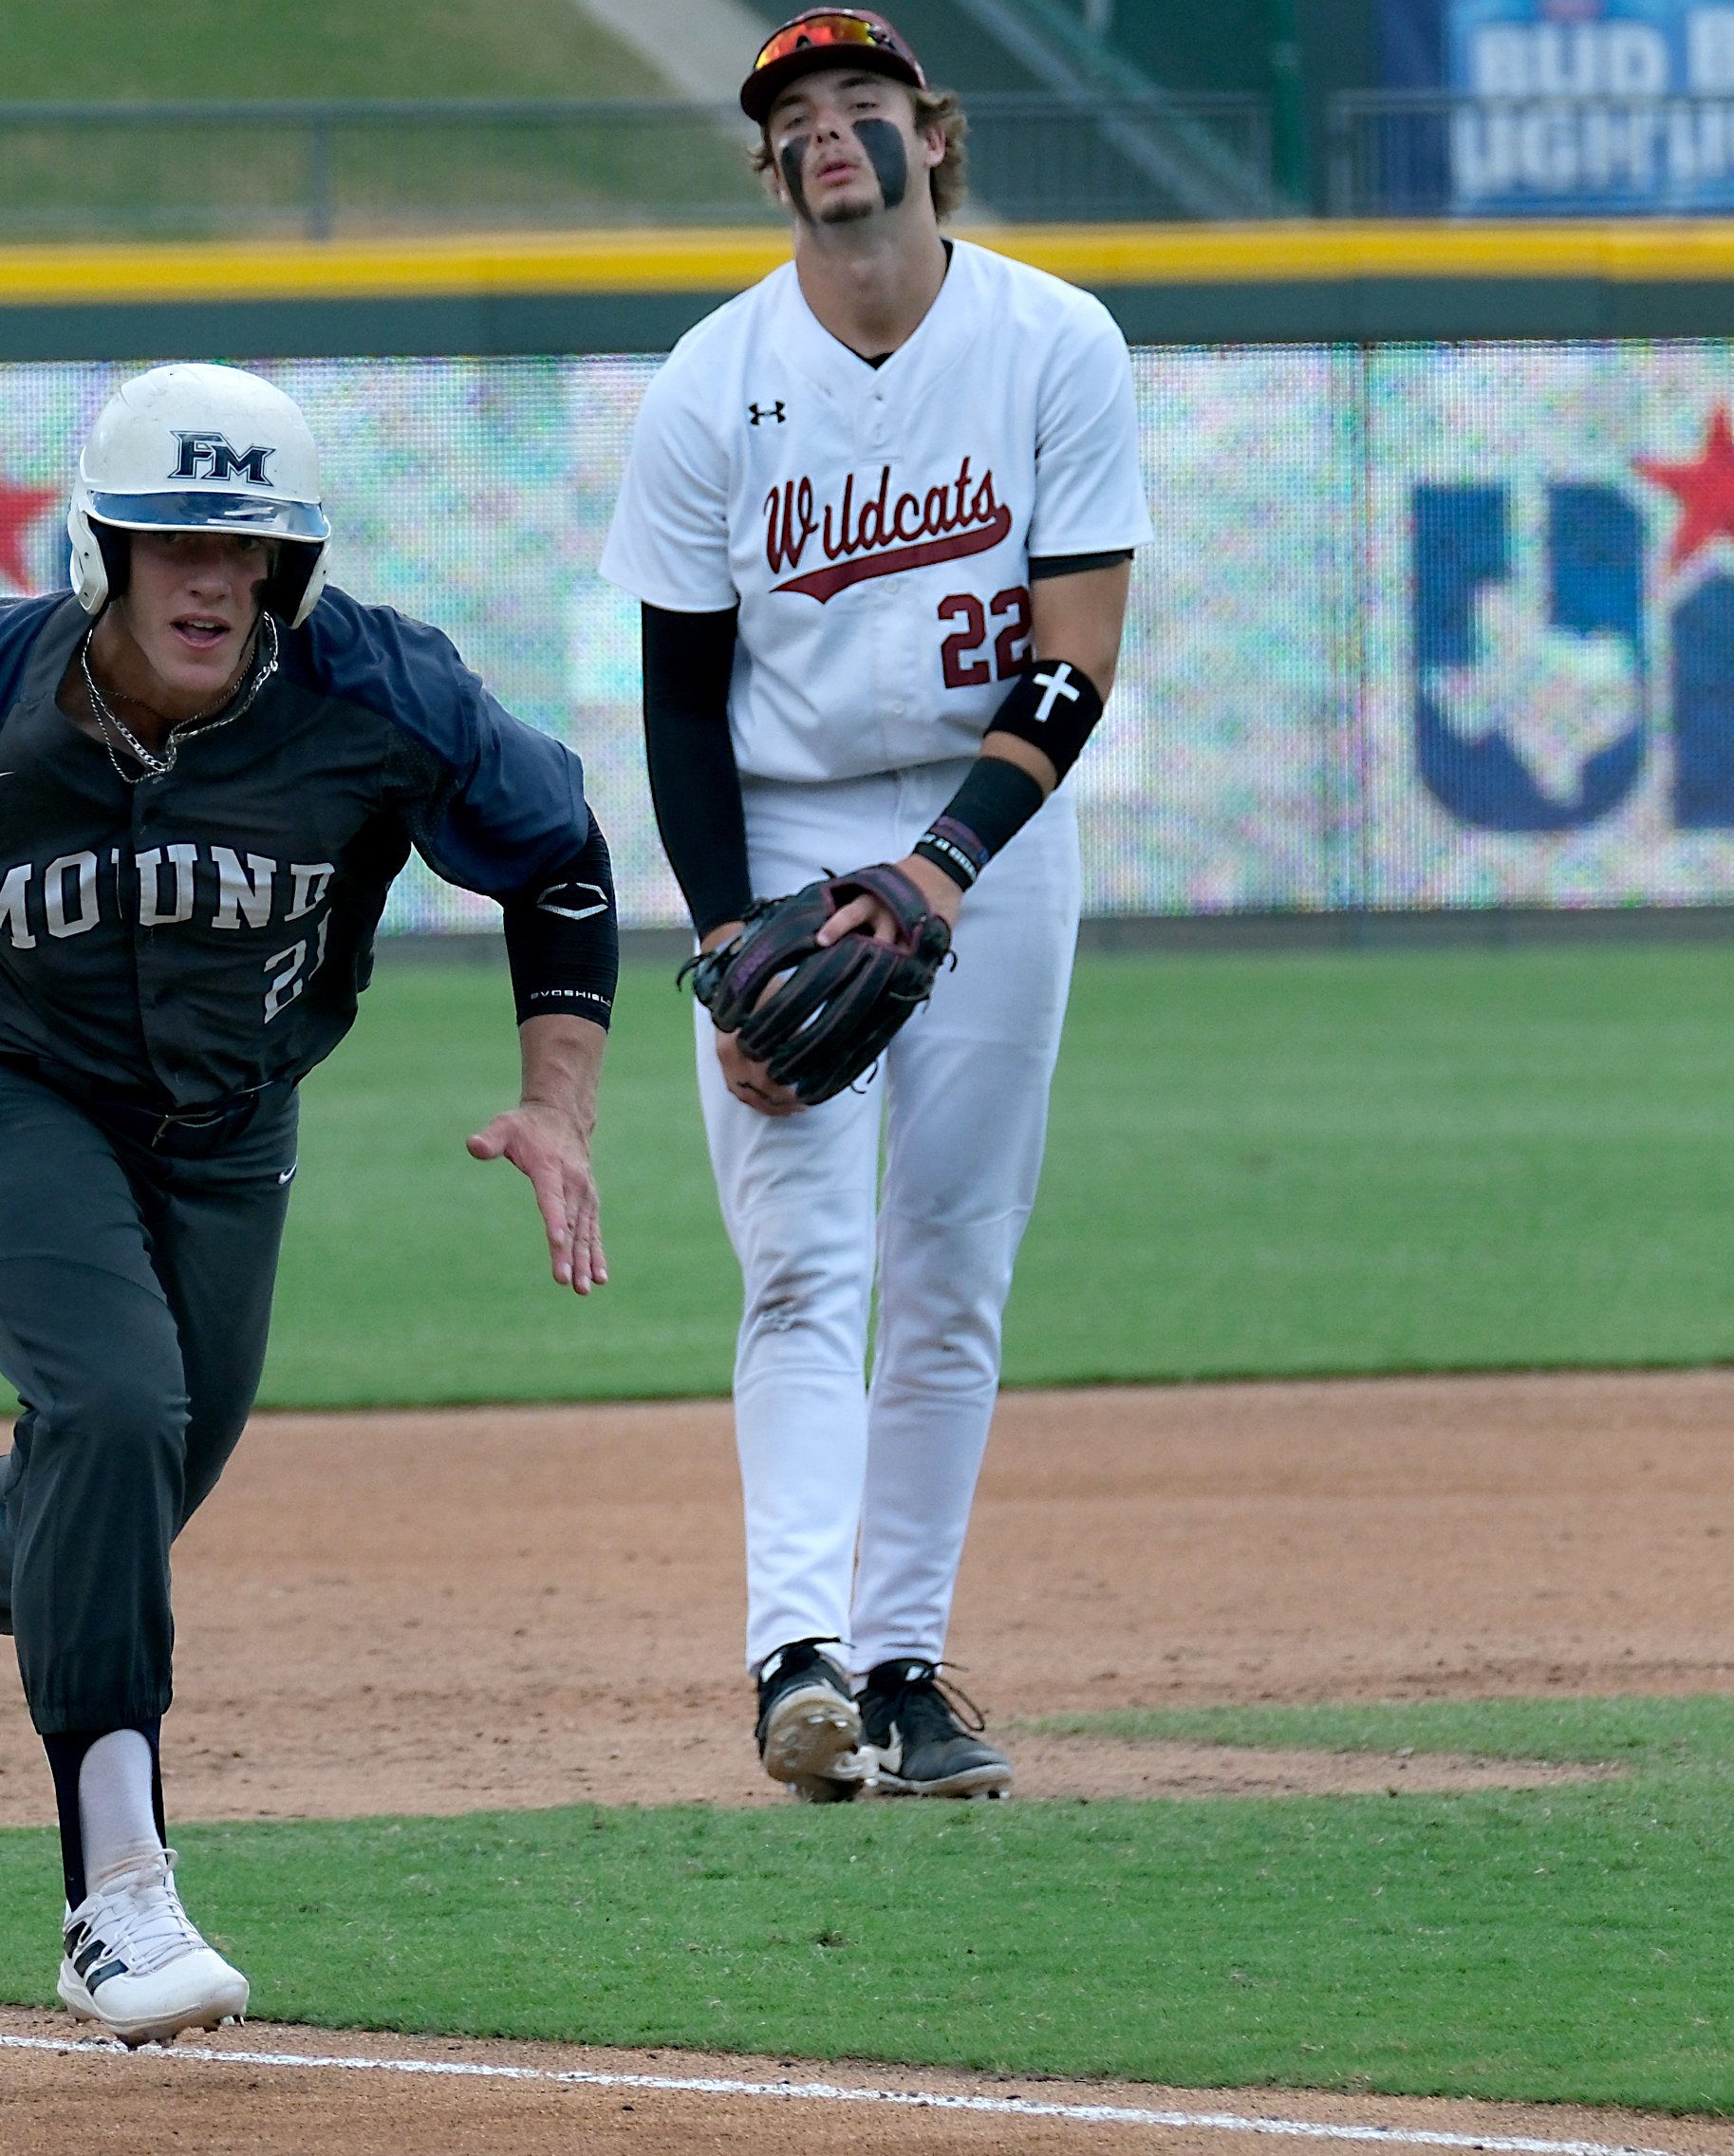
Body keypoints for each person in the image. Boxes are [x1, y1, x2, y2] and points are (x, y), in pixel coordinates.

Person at [0, 363, 621, 2044]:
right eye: (173, 542)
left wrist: (555, 1102)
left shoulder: (380, 694)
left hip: (230, 1131)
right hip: (1, 1094)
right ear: (105, 552)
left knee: (124, 1490)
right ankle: (117, 1902)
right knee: (113, 1408)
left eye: (253, 549)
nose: (214, 579)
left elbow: (558, 848)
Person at [598, 9, 1149, 1803]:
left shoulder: (1053, 342)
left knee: (953, 1266)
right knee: (805, 1268)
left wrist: (942, 871)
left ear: (935, 134)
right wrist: (727, 952)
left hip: (991, 828)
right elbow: (682, 701)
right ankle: (795, 1663)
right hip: (776, 825)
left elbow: (1073, 668)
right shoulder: (712, 381)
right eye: (795, 117)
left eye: (862, 103)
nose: (829, 132)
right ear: (768, 168)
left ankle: (906, 1667)